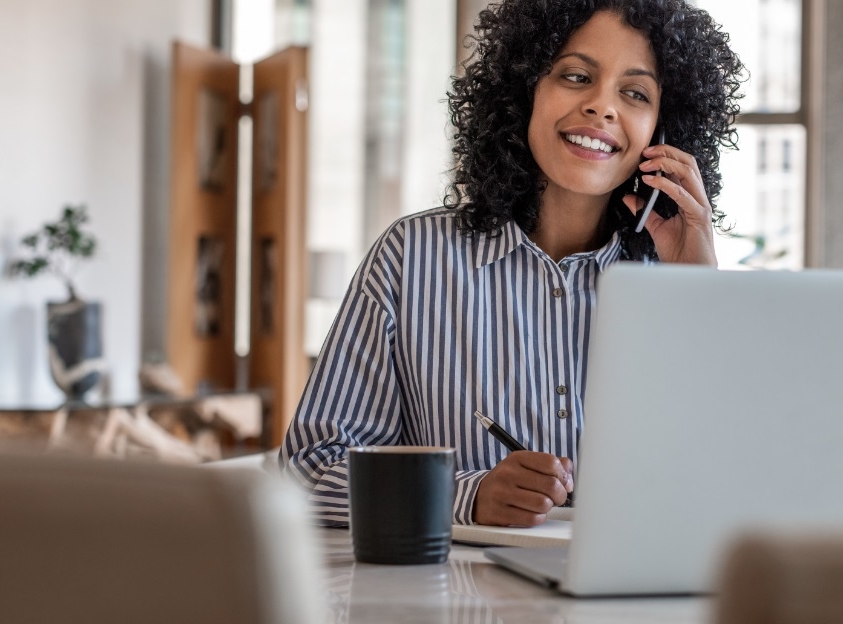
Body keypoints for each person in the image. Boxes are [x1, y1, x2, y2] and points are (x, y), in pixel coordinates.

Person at [282, 0, 744, 527]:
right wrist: (465, 497)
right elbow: (306, 472)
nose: (602, 107)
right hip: (462, 582)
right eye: (576, 76)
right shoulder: (411, 258)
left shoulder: (675, 279)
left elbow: (736, 479)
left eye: (635, 93)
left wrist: (700, 293)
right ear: (523, 91)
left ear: (662, 132)